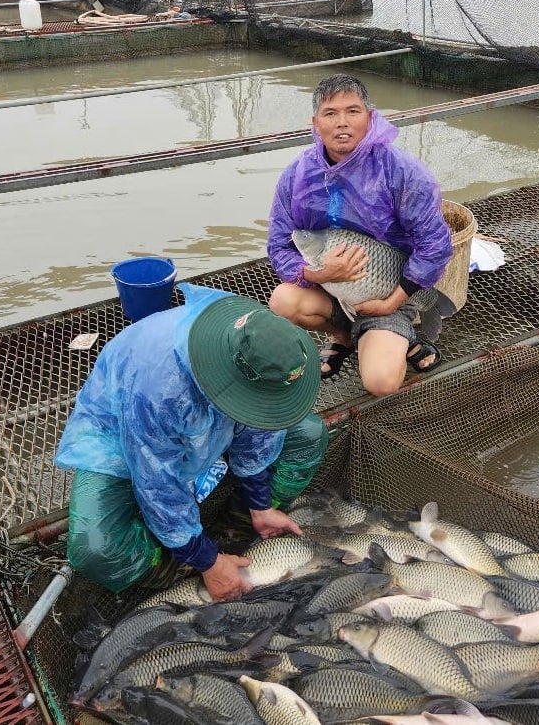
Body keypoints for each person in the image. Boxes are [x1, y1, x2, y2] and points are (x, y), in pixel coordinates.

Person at [54, 282, 328, 600]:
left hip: (211, 418)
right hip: (121, 431)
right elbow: (157, 483)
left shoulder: (255, 340)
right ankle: (181, 568)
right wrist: (205, 561)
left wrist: (260, 504)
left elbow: (261, 429)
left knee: (308, 434)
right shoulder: (155, 390)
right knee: (95, 548)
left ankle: (236, 531)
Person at [267, 74, 453, 397]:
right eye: (330, 114)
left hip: (390, 292)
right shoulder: (296, 176)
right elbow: (279, 244)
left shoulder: (401, 171)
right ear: (315, 123)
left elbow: (434, 244)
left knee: (380, 382)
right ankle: (343, 335)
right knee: (282, 300)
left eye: (353, 111)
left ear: (370, 117)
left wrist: (390, 302)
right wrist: (318, 273)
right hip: (330, 288)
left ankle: (403, 333)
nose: (342, 123)